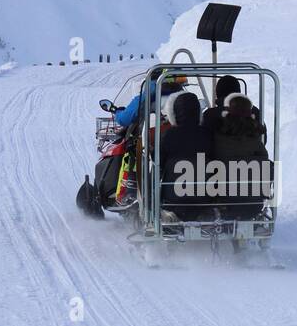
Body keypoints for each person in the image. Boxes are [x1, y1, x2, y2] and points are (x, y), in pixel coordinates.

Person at [212, 93, 271, 219]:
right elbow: (265, 164)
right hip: (254, 204)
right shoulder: (256, 142)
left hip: (224, 203)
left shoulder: (218, 140)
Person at [159, 91, 215, 221]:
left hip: (173, 196)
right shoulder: (207, 134)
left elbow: (159, 161)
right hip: (204, 195)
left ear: (173, 113)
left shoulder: (169, 135)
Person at [114, 74, 186, 128]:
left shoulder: (150, 97)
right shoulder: (184, 95)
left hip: (162, 137)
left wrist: (117, 112)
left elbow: (125, 119)